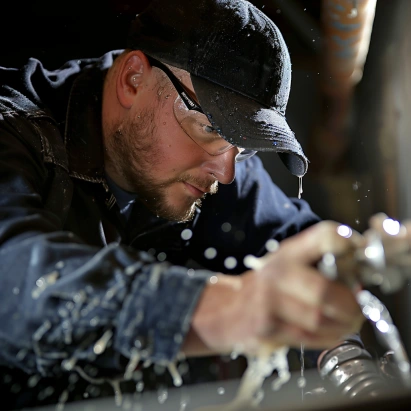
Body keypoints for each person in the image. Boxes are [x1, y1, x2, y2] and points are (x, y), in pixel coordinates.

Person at [0, 0, 366, 408]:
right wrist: (230, 308)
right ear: (133, 79)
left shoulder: (216, 161)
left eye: (243, 145)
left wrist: (341, 351)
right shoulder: (14, 131)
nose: (226, 173)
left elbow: (295, 243)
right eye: (210, 128)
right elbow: (15, 281)